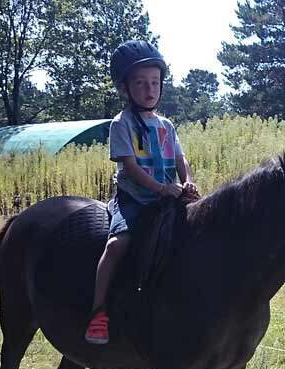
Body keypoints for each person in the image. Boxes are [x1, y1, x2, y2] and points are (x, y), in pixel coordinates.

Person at [85, 40, 200, 345]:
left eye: (154, 82)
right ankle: (98, 312)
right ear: (125, 89)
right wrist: (163, 188)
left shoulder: (166, 125)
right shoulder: (121, 124)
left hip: (170, 193)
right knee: (117, 244)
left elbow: (180, 159)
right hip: (134, 198)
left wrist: (187, 181)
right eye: (140, 83)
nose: (149, 89)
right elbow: (132, 168)